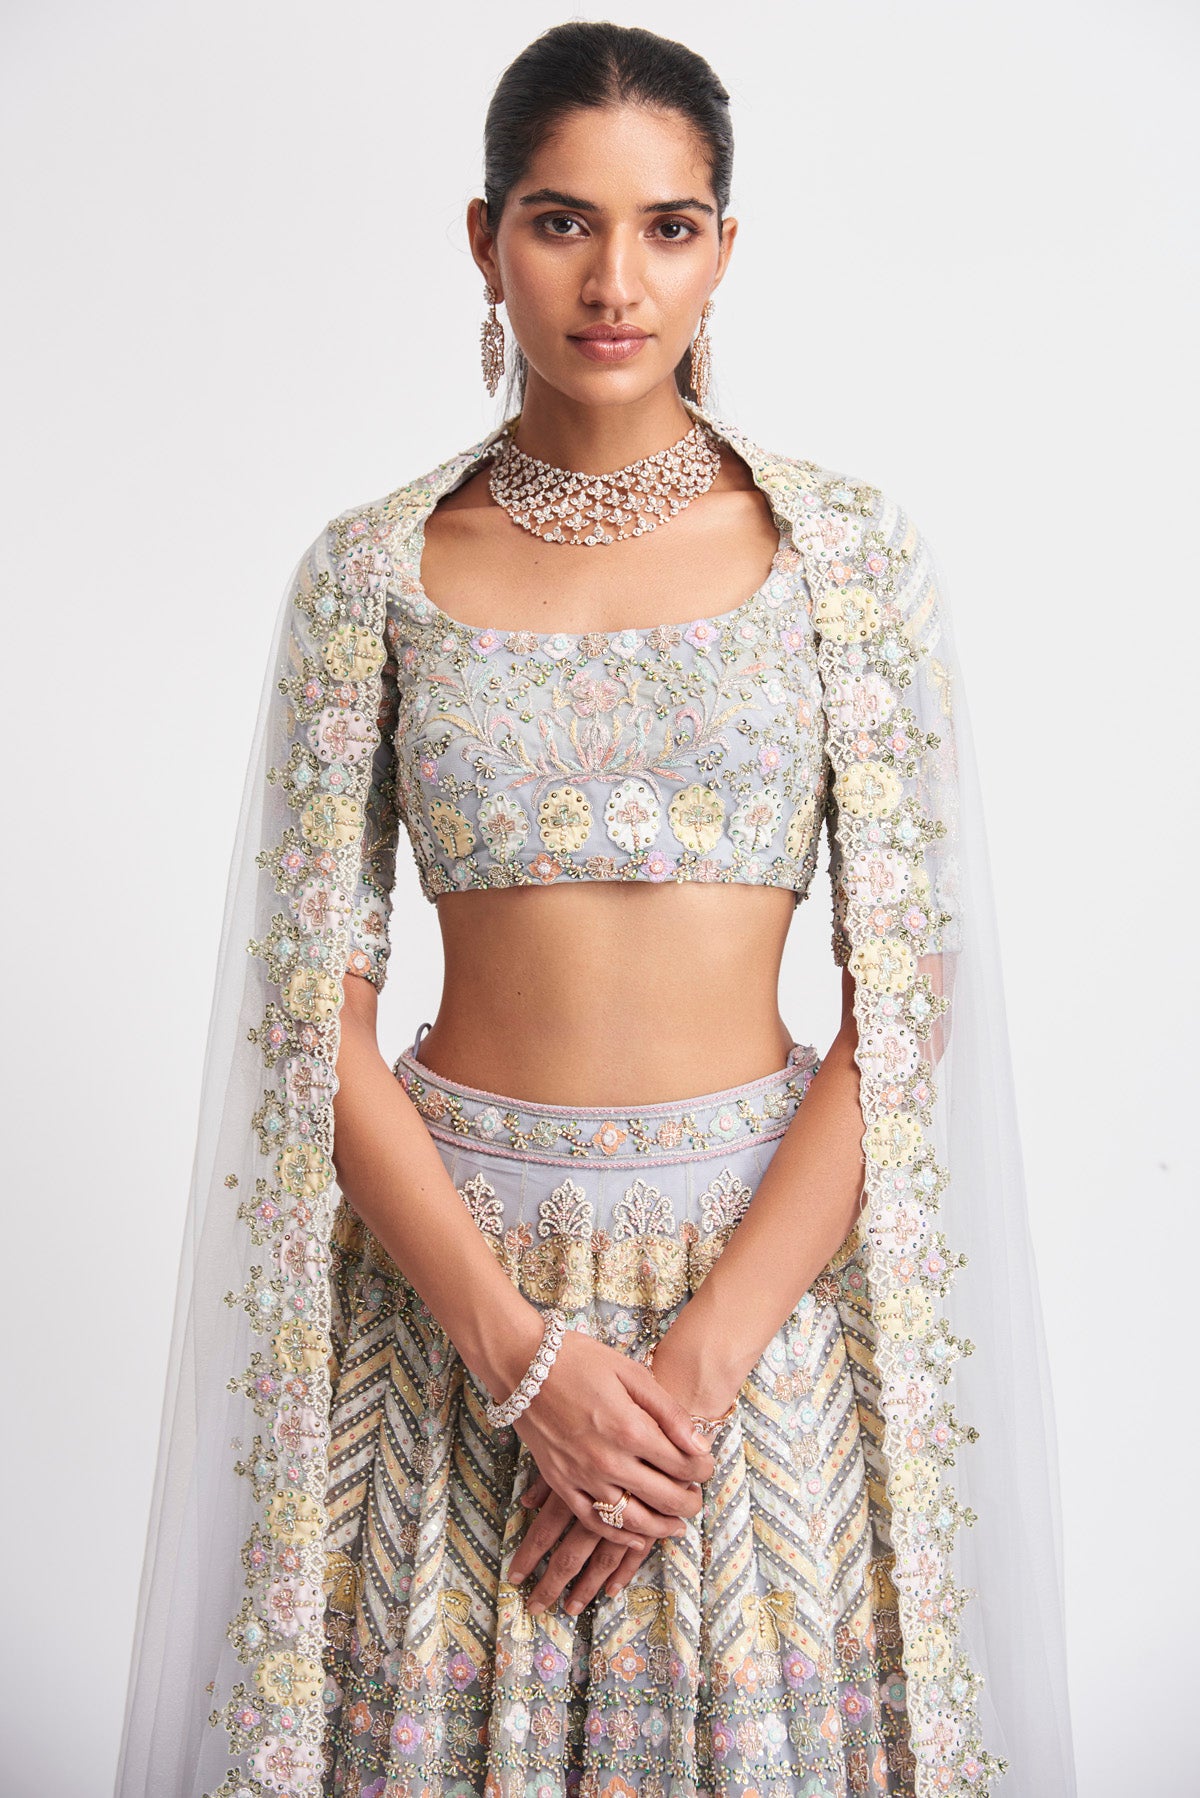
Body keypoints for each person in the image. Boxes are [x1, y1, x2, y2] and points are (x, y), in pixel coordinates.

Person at [115, 21, 1077, 1798]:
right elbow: (310, 1018)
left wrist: (693, 1375)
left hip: (756, 1320)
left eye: (669, 226)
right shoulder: (369, 575)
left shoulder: (851, 566)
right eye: (562, 222)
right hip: (454, 1305)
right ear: (484, 239)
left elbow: (903, 1009)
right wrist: (524, 1361)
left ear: (726, 248)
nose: (615, 281)